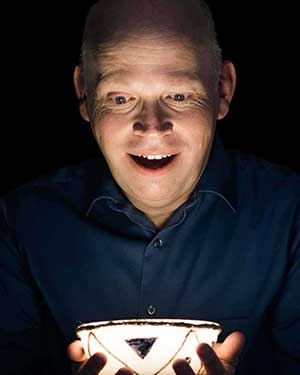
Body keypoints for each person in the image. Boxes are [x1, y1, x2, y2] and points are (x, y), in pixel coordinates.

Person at [0, 0, 299, 374]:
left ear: (222, 90)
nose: (152, 127)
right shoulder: (20, 222)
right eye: (121, 99)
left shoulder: (290, 214)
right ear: (84, 95)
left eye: (178, 96)